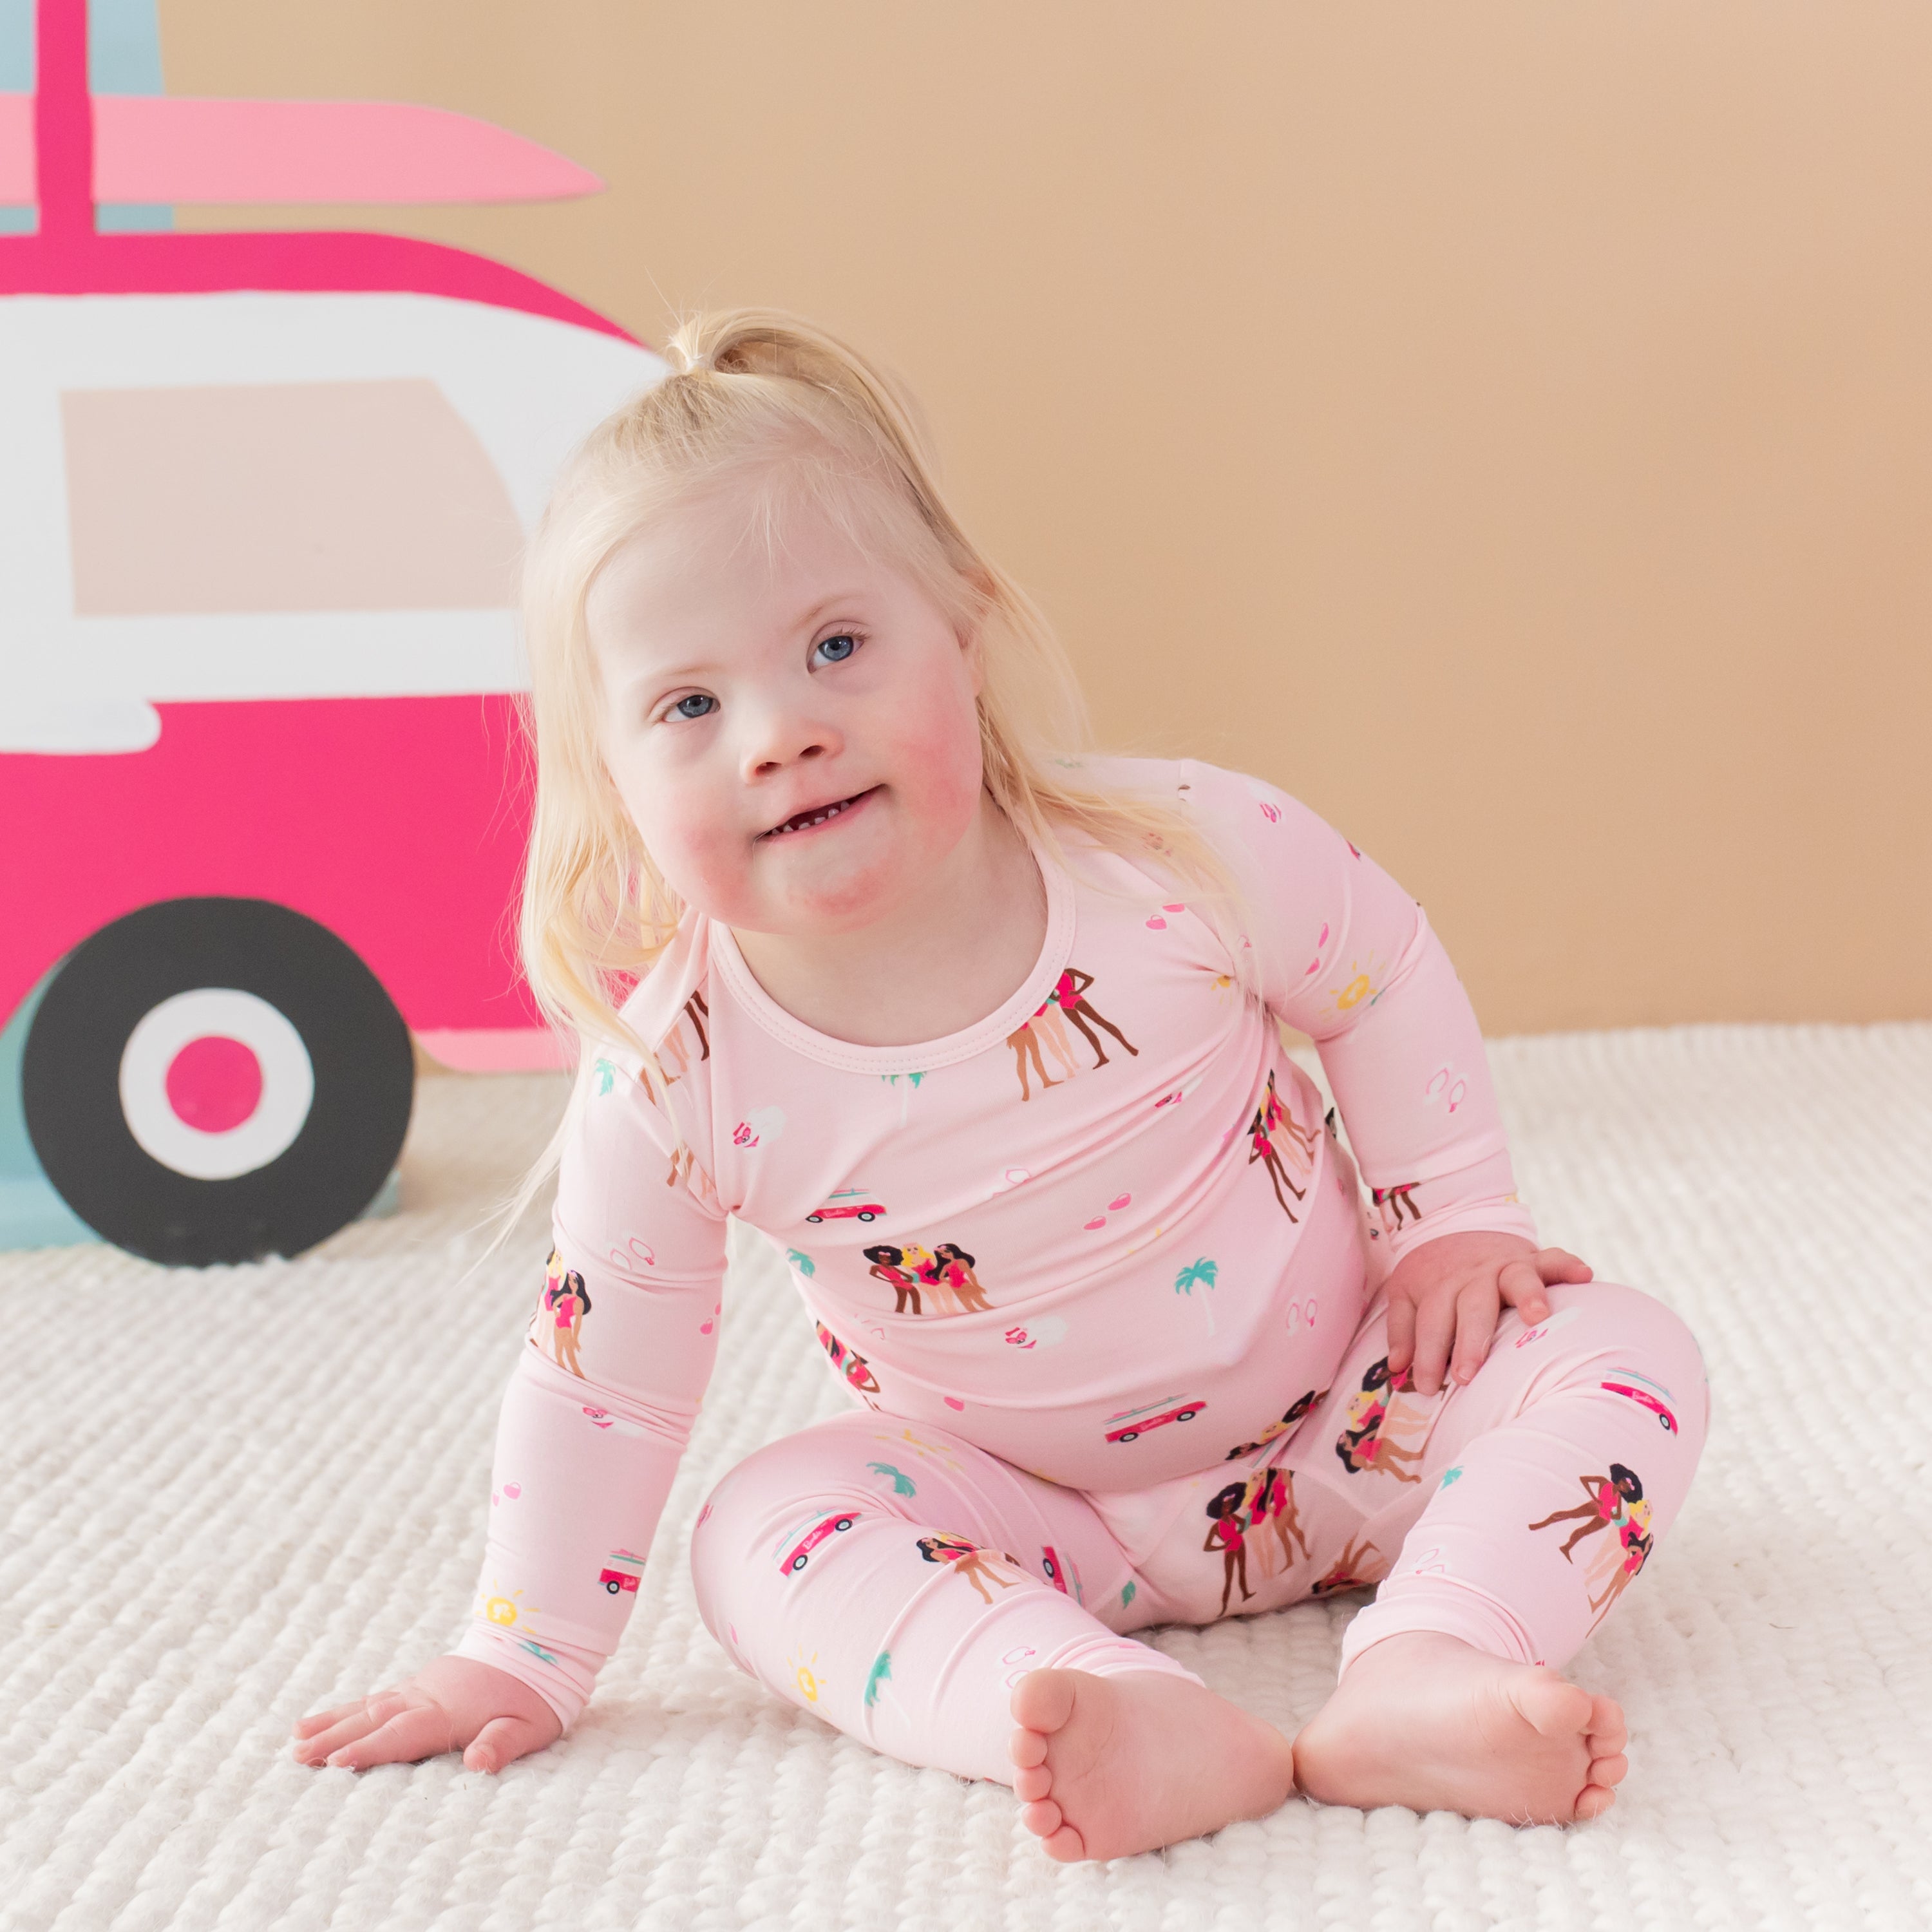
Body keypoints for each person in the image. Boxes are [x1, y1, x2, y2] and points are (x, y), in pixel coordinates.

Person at [290, 308, 1709, 1862]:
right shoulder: (677, 1075)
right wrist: (528, 1648)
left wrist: (1454, 1220)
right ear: (611, 776)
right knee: (762, 1532)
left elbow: (1376, 966)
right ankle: (1106, 1704)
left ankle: (1436, 1650)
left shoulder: (1178, 858)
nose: (783, 735)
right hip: (1034, 1519)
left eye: (837, 648)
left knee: (1623, 1351)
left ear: (959, 629)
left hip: (1357, 1419)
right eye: (691, 707)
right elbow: (605, 1377)